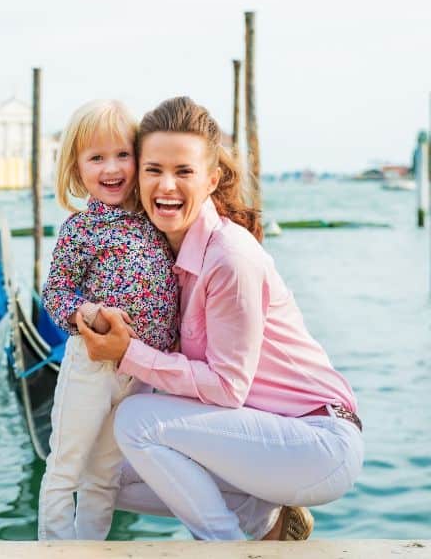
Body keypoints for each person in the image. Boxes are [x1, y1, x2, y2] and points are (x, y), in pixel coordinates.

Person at [75, 96, 364, 541]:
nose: (166, 185)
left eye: (183, 172)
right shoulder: (157, 258)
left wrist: (128, 354)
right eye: (153, 169)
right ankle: (266, 519)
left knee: (136, 421)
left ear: (211, 180)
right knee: (99, 469)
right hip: (260, 440)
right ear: (136, 176)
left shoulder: (230, 257)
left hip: (318, 441)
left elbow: (228, 389)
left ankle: (224, 547)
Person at [38, 100, 179, 540]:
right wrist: (86, 313)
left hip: (139, 369)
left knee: (105, 476)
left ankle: (90, 550)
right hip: (92, 363)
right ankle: (56, 551)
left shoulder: (155, 219)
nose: (111, 167)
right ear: (77, 169)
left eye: (122, 154)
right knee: (65, 466)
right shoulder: (81, 229)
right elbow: (55, 291)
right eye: (96, 158)